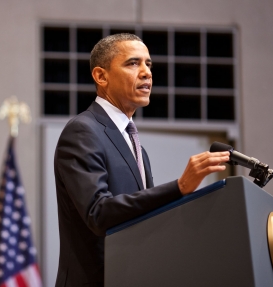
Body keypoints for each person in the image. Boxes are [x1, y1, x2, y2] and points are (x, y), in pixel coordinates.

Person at [54, 33, 230, 287]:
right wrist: (179, 187)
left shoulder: (137, 147)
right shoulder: (83, 130)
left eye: (149, 64)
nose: (146, 72)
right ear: (101, 76)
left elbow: (146, 219)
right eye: (133, 63)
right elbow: (98, 213)